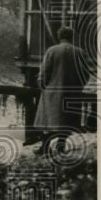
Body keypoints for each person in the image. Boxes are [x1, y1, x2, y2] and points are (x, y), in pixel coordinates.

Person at [34, 27, 89, 156]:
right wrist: (78, 87)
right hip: (72, 92)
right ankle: (61, 146)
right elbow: (85, 74)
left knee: (48, 121)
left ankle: (45, 147)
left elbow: (44, 72)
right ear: (71, 37)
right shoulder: (80, 52)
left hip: (53, 92)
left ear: (60, 37)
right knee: (67, 120)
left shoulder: (52, 50)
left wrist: (43, 85)